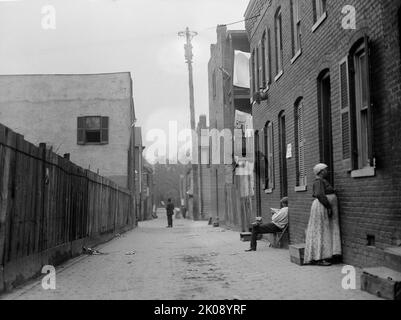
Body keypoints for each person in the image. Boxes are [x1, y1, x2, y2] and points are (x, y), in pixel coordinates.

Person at [304, 163, 342, 266]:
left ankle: (323, 256)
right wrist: (328, 206)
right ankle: (319, 258)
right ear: (321, 172)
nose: (327, 171)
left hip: (323, 206)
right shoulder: (318, 181)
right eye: (325, 170)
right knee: (321, 230)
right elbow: (320, 194)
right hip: (322, 207)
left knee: (324, 230)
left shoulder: (322, 181)